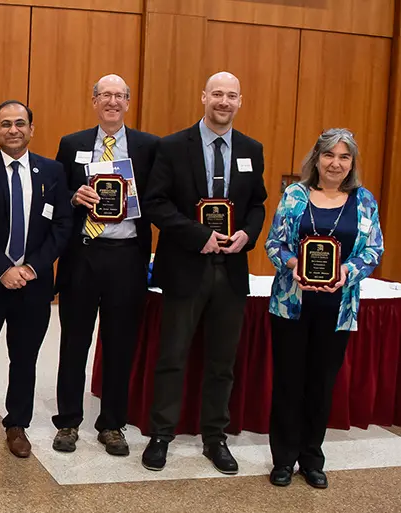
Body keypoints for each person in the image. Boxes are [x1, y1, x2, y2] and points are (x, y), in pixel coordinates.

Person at [141, 72, 268, 474]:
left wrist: (248, 233)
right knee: (173, 356)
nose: (224, 102)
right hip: (186, 266)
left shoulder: (251, 148)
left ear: (240, 101)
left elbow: (258, 204)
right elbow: (156, 203)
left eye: (232, 95)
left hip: (230, 271)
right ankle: (161, 435)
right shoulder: (174, 146)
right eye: (218, 94)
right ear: (204, 97)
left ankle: (216, 438)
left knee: (221, 362)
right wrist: (199, 235)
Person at [264, 129, 383, 489]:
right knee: (288, 383)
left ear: (351, 163)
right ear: (316, 159)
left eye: (344, 157)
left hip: (338, 308)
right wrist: (291, 265)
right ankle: (283, 459)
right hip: (291, 306)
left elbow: (373, 251)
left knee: (320, 385)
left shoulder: (364, 201)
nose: (336, 163)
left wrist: (347, 271)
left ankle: (312, 459)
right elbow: (274, 243)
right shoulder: (295, 195)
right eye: (329, 155)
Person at [0, 100, 72, 459]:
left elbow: (62, 225)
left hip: (33, 283)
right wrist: (3, 269)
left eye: (20, 123)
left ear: (31, 129)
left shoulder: (52, 172)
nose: (13, 129)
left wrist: (31, 268)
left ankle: (17, 424)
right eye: (5, 124)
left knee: (24, 358)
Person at [51, 75, 160, 456]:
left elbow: (160, 198)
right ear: (94, 100)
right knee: (73, 342)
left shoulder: (149, 147)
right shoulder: (73, 144)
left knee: (119, 344)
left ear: (128, 102)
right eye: (105, 95)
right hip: (82, 255)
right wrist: (73, 196)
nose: (112, 101)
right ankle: (67, 421)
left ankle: (112, 424)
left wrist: (137, 200)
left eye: (119, 96)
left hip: (127, 257)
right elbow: (56, 195)